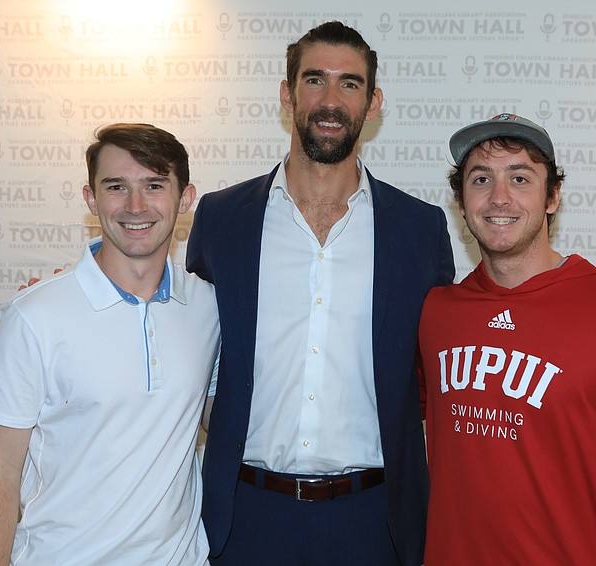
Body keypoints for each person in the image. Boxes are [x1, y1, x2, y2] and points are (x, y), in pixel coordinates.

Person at [186, 21, 454, 566]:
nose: (331, 100)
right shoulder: (221, 219)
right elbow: (181, 330)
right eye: (315, 80)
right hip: (245, 518)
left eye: (350, 84)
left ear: (373, 102)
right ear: (287, 94)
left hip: (376, 523)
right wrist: (86, 282)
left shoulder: (419, 230)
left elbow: (444, 361)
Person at [418, 113, 596, 565]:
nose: (499, 197)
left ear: (553, 198)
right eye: (481, 178)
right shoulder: (436, 314)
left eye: (520, 178)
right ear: (461, 201)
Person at [0, 123, 220, 565]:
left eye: (154, 185)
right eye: (116, 187)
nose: (136, 205)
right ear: (91, 199)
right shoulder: (34, 316)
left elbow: (220, 421)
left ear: (185, 199)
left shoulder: (209, 306)